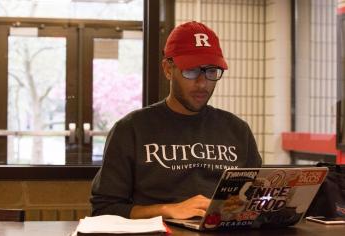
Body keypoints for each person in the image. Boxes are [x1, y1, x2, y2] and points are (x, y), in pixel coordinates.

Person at [90, 21, 262, 220]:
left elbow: (255, 200)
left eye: (211, 71)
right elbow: (104, 210)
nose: (202, 83)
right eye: (191, 71)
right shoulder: (131, 129)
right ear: (168, 69)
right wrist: (165, 210)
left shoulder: (237, 130)